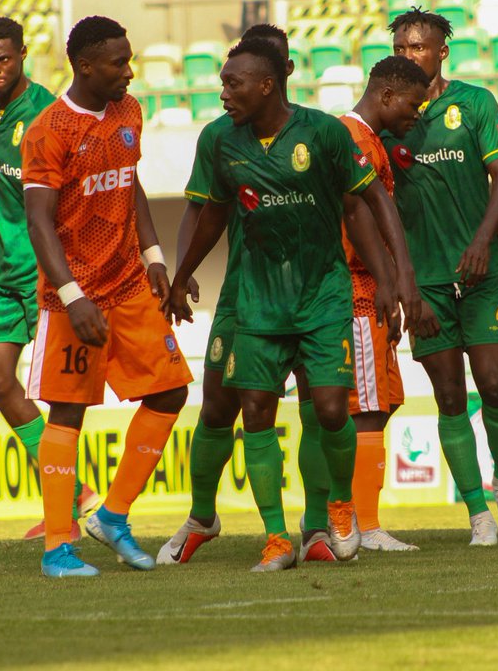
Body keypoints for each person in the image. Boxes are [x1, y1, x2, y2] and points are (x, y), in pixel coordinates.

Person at [168, 37, 427, 572]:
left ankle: (334, 508)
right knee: (255, 413)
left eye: (231, 83)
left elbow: (363, 203)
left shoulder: (323, 132)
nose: (222, 94)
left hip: (322, 293)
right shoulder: (221, 141)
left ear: (268, 84)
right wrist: (182, 274)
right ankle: (275, 537)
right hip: (257, 298)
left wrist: (392, 278)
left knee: (332, 408)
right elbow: (212, 213)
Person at [21, 16, 193, 578]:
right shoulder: (48, 132)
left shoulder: (128, 112)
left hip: (127, 285)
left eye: (129, 58)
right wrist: (72, 297)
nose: (129, 70)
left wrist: (156, 259)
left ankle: (113, 516)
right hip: (73, 297)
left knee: (169, 392)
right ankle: (55, 548)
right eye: (118, 62)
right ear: (85, 65)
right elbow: (39, 223)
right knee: (68, 413)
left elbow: (129, 182)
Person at [384, 7, 498, 547]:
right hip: (426, 285)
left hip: (481, 273)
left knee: (493, 384)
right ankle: (477, 515)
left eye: (417, 47)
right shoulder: (391, 115)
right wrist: (404, 283)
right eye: (400, 48)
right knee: (448, 398)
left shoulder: (473, 102)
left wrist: (481, 241)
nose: (408, 56)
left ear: (441, 51)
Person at [0, 17, 98, 542]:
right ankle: (77, 493)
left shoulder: (45, 111)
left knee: (59, 388)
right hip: (4, 262)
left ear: (23, 55)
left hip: (46, 266)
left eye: (3, 59)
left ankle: (66, 511)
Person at [339, 55, 431, 552]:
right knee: (367, 410)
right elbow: (357, 220)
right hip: (356, 293)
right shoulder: (351, 139)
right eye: (413, 105)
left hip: (371, 290)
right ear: (387, 96)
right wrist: (391, 281)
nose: (416, 114)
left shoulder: (371, 141)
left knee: (383, 402)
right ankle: (363, 526)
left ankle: (354, 516)